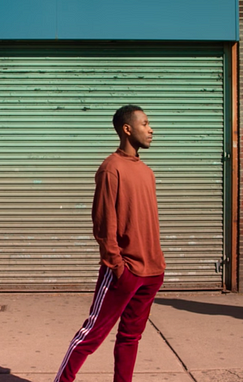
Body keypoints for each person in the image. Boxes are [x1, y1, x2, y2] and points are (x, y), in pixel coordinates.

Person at [54, 105, 165, 382]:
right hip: (124, 270)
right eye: (145, 123)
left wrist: (157, 265)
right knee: (92, 333)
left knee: (130, 337)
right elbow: (104, 223)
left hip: (152, 271)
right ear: (127, 129)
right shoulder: (111, 169)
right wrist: (116, 264)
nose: (151, 129)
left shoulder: (147, 172)